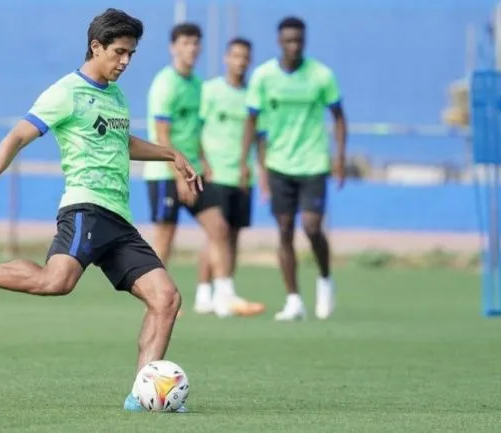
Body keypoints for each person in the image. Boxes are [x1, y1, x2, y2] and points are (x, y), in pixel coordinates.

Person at [0, 8, 200, 412]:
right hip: (85, 207)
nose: (125, 61)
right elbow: (17, 137)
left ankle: (141, 395)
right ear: (96, 46)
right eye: (119, 52)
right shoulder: (65, 92)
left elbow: (122, 143)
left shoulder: (116, 95)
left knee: (166, 298)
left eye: (131, 54)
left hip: (118, 218)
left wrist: (170, 153)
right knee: (57, 282)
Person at [142, 23, 257, 318]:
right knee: (166, 236)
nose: (191, 48)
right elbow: (162, 134)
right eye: (185, 43)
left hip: (192, 170)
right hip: (165, 172)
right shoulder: (165, 83)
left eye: (195, 43)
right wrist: (177, 172)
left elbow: (196, 130)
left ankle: (222, 295)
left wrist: (202, 160)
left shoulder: (196, 84)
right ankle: (158, 300)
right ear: (173, 47)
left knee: (219, 227)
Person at [241, 16, 347, 321]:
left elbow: (339, 117)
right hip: (278, 165)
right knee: (285, 230)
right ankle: (293, 300)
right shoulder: (263, 77)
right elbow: (251, 121)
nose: (294, 46)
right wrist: (248, 164)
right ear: (279, 42)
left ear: (305, 41)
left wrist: (339, 157)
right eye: (288, 40)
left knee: (312, 227)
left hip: (313, 163)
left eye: (299, 40)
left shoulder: (321, 75)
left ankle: (325, 278)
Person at [195, 37, 266, 317]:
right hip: (215, 173)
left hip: (241, 176)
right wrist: (202, 161)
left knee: (232, 237)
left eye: (245, 57)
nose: (240, 61)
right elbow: (195, 129)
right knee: (215, 234)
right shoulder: (210, 90)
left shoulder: (252, 95)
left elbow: (260, 138)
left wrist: (259, 171)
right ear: (227, 58)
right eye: (235, 55)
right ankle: (204, 293)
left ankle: (224, 293)